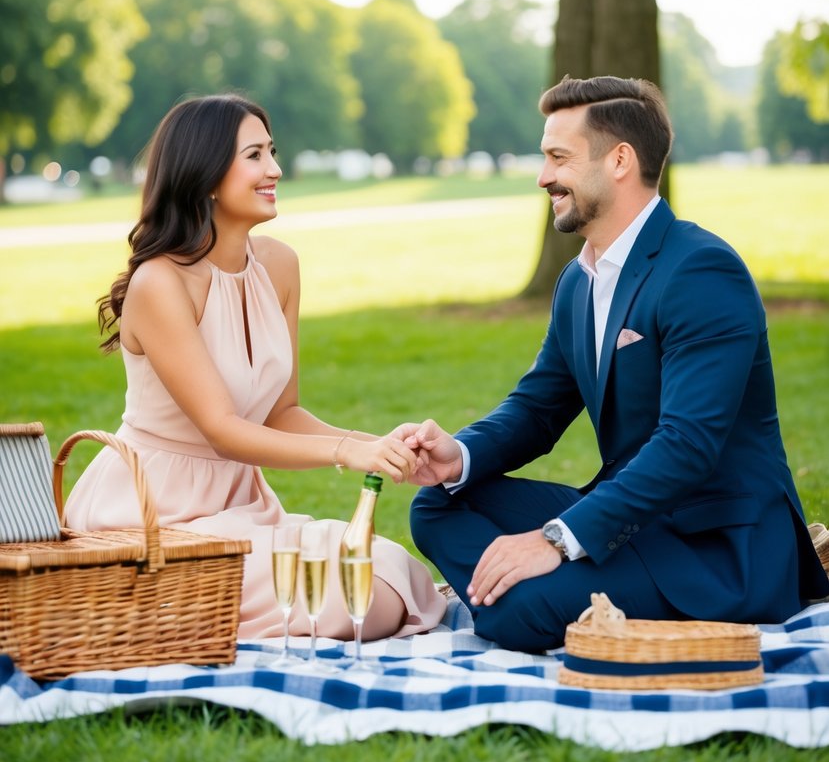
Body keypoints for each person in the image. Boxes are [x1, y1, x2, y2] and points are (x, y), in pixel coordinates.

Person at [406, 75, 828, 652]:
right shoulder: (577, 281)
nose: (543, 176)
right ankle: (522, 585)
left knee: (517, 614)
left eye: (559, 157)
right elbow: (537, 408)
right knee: (438, 500)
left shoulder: (702, 271)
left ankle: (522, 593)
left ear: (620, 161)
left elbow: (687, 445)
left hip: (715, 547)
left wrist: (554, 541)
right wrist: (460, 454)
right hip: (633, 522)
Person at [66, 94, 445, 641]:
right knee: (350, 599)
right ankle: (153, 608)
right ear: (207, 173)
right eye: (255, 156)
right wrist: (344, 451)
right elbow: (222, 431)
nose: (275, 169)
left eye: (272, 151)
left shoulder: (279, 265)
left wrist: (376, 444)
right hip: (152, 516)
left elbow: (280, 413)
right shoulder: (161, 283)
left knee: (390, 573)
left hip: (243, 509)